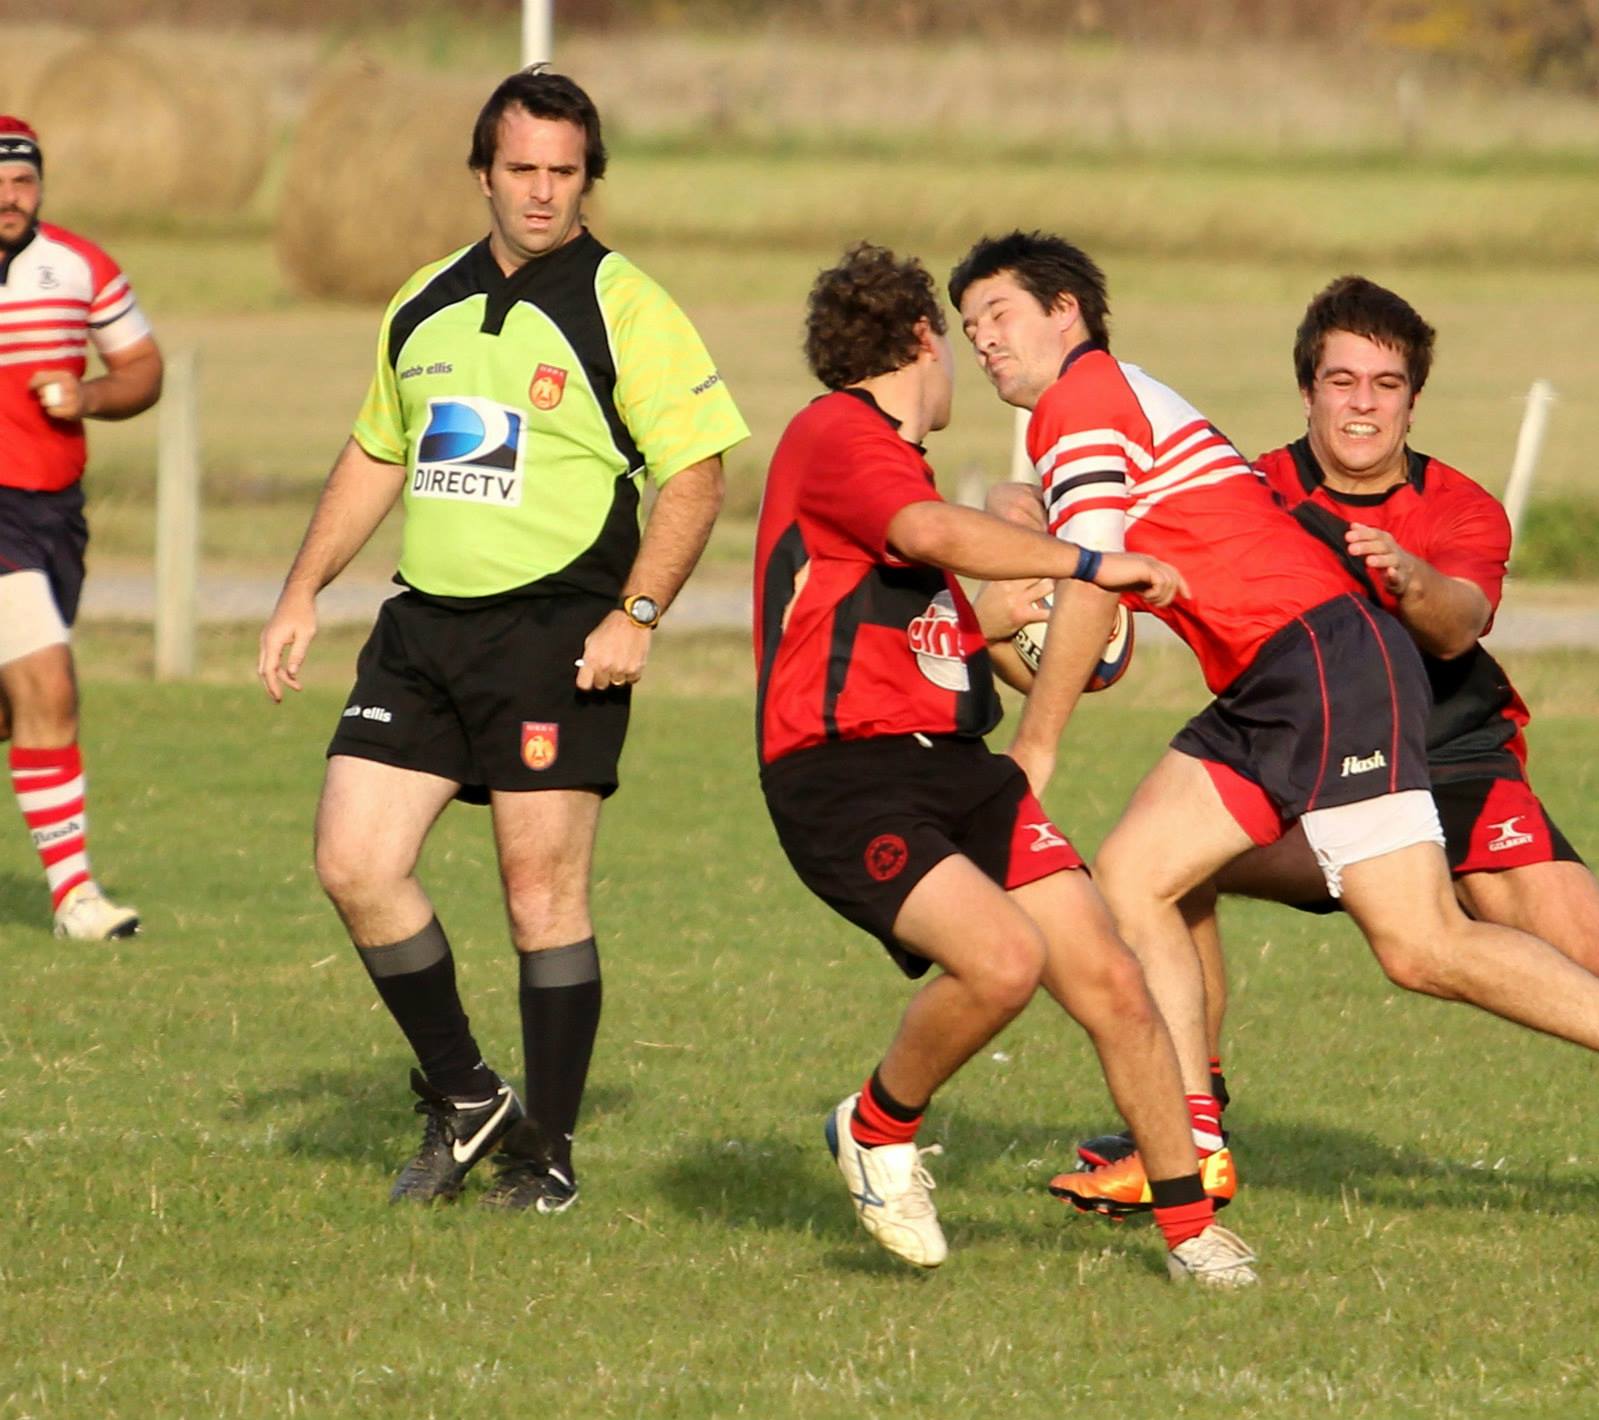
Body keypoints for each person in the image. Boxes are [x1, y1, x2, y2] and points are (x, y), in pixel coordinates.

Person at [946, 230, 1599, 1221]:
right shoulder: (1094, 413)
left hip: (1321, 671)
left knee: (1420, 945)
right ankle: (1192, 1140)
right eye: (969, 327)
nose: (982, 340)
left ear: (1064, 313)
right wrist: (1017, 534)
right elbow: (1099, 574)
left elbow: (1088, 590)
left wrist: (1035, 741)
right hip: (1273, 679)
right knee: (1133, 874)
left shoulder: (1084, 397)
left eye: (998, 315)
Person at [256, 68, 747, 1212]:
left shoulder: (627, 305)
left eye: (563, 173)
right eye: (520, 169)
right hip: (421, 625)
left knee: (540, 898)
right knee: (353, 863)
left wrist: (635, 616)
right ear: (482, 172)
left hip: (555, 632)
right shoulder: (420, 299)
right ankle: (469, 1094)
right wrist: (301, 591)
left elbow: (696, 475)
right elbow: (379, 449)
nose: (540, 192)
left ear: (589, 179)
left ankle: (550, 1153)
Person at [753, 241, 1254, 1285]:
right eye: (958, 330)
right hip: (842, 774)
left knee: (1113, 980)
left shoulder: (895, 463)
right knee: (1002, 960)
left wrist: (993, 617)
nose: (970, 356)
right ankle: (877, 1125)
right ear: (919, 341)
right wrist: (1085, 560)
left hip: (951, 764)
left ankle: (1186, 1229)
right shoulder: (836, 432)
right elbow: (928, 529)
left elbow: (912, 620)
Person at [0, 115, 162, 940]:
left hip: (52, 511)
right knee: (49, 683)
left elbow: (142, 367)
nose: (9, 197)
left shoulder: (79, 267)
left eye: (23, 181)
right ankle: (76, 900)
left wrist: (88, 395)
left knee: (20, 708)